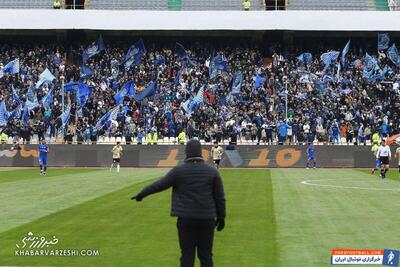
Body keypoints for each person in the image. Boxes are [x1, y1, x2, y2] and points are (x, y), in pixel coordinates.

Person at [131, 139, 226, 267]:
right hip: (207, 218)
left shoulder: (179, 171)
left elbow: (159, 185)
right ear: (201, 153)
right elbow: (219, 197)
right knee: (206, 255)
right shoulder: (212, 172)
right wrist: (221, 217)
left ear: (186, 152)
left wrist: (141, 194)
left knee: (187, 254)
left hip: (185, 218)